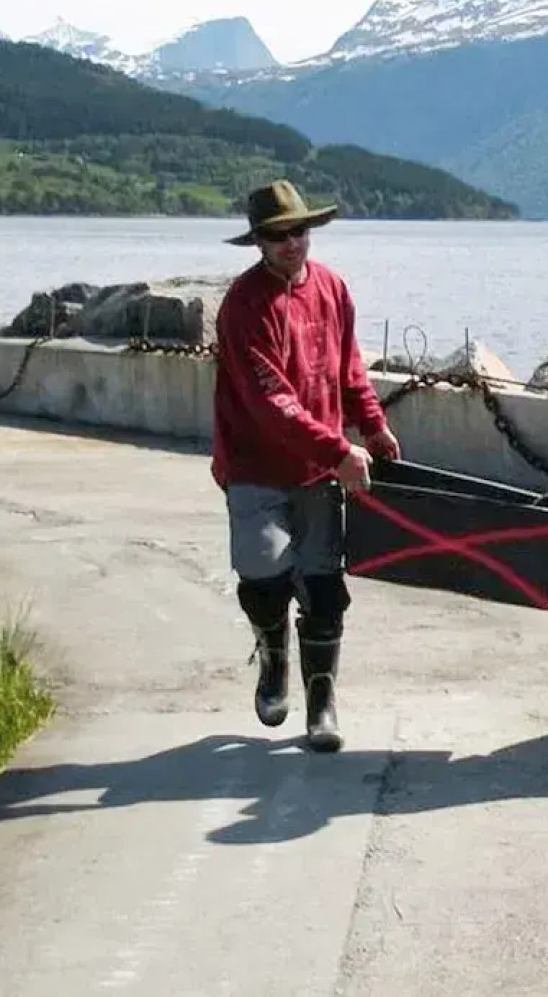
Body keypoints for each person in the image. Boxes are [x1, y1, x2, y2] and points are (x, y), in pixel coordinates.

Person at [211, 180, 401, 753]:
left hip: (319, 472)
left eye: (299, 231)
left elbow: (349, 369)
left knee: (323, 585)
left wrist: (372, 426)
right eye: (277, 235)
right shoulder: (243, 306)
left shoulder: (333, 288)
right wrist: (339, 451)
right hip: (254, 465)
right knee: (263, 570)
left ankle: (322, 703)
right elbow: (273, 403)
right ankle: (273, 659)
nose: (291, 243)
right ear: (259, 243)